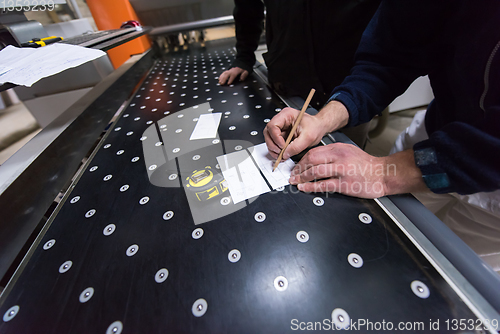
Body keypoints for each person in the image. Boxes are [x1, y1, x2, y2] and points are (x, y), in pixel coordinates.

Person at [263, 0, 500, 270]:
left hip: (493, 198)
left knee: (449, 277)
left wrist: (383, 172)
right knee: (391, 244)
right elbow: (390, 58)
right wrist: (322, 120)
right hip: (438, 129)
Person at [219, 0, 381, 148]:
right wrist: (244, 56)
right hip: (286, 81)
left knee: (344, 165)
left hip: (351, 84)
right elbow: (247, 7)